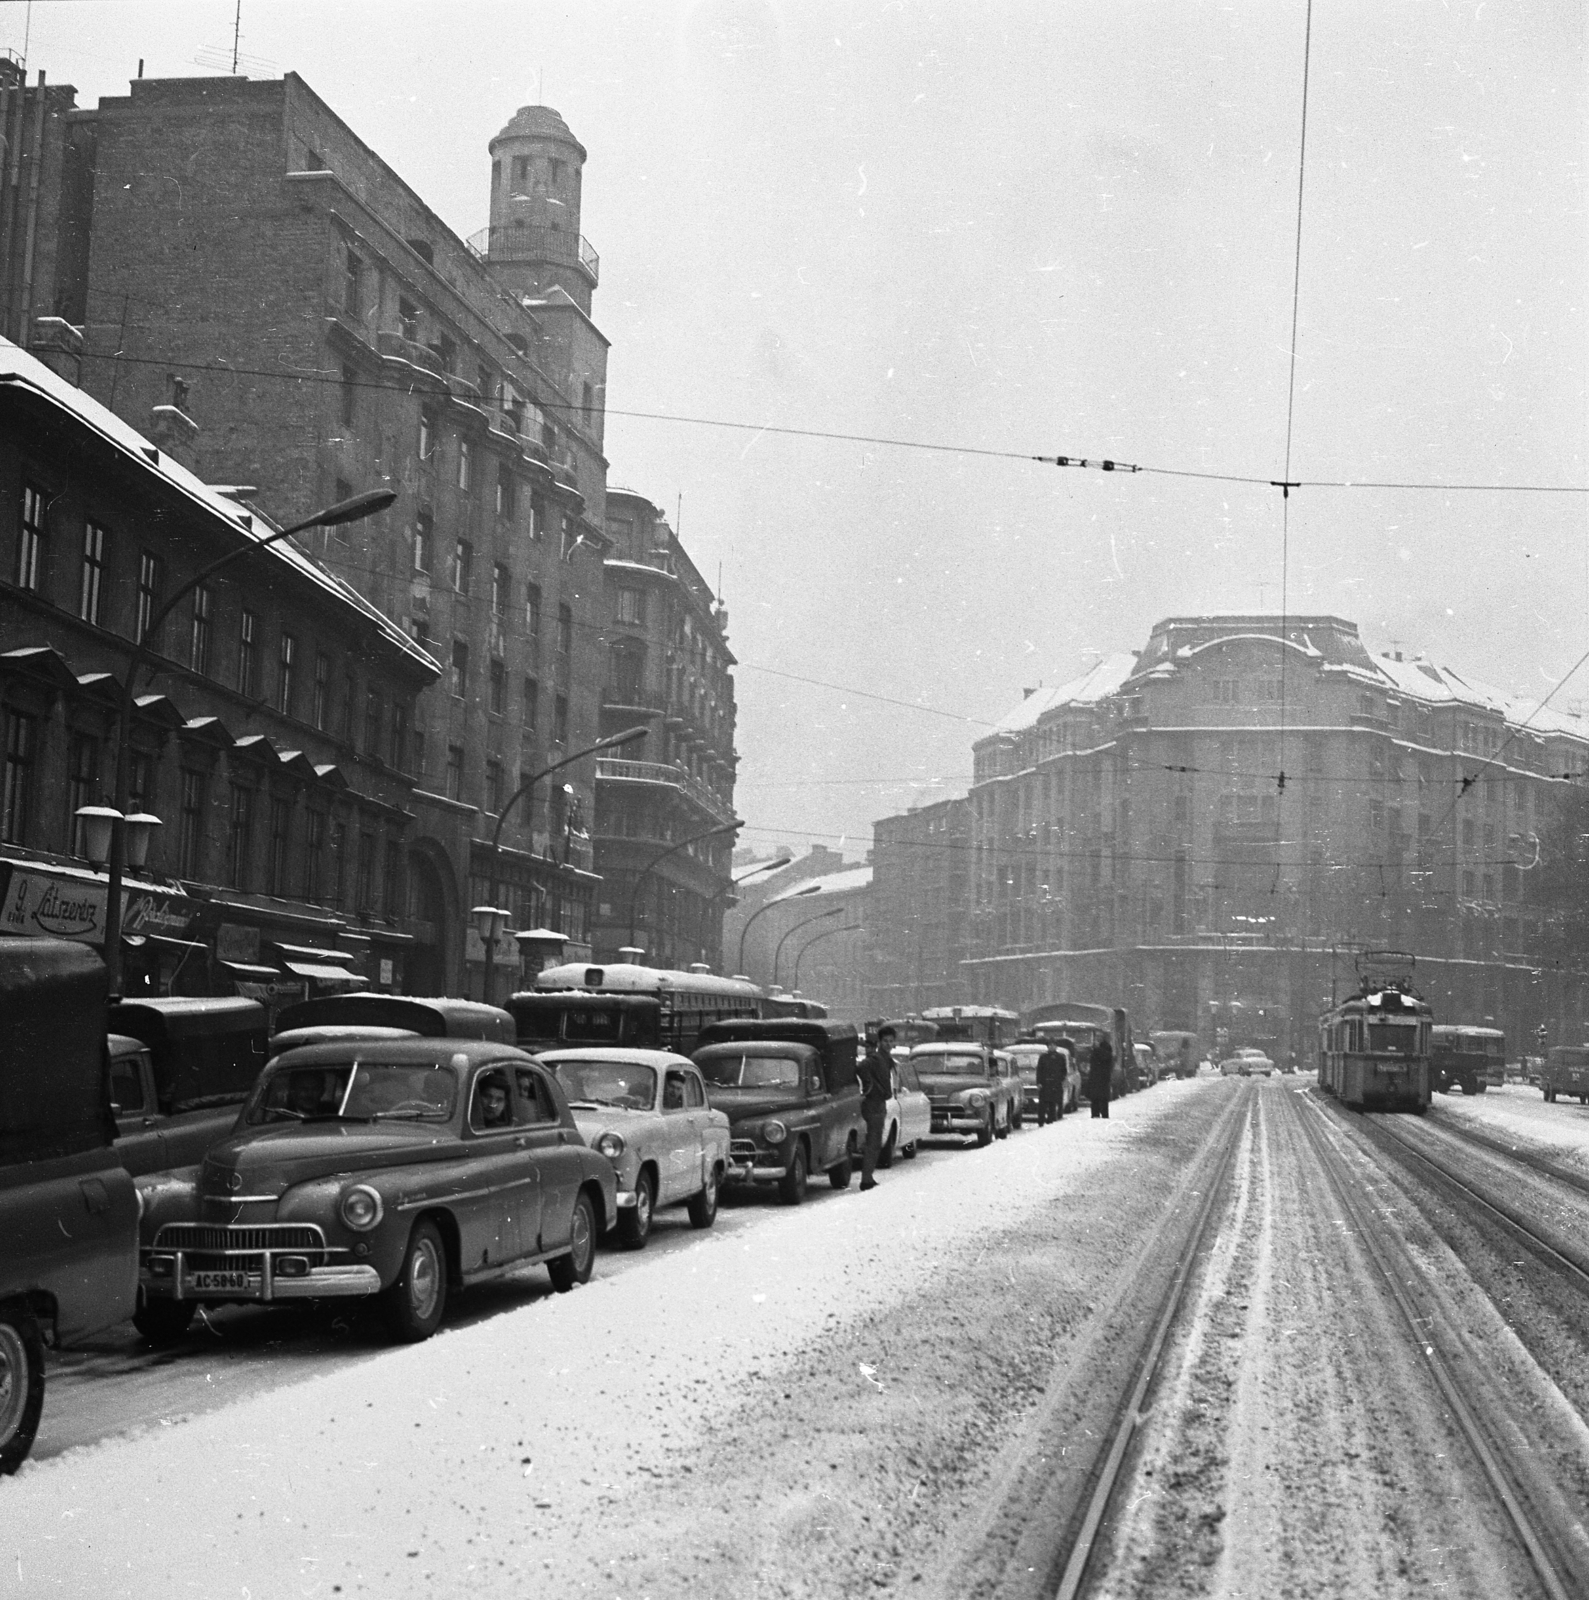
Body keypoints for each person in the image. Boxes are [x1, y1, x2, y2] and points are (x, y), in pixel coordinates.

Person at [858, 1025, 895, 1191]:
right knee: (873, 1142)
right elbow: (861, 1068)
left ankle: (869, 1177)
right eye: (885, 1041)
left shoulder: (885, 1059)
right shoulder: (876, 1058)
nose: (888, 1044)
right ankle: (866, 1179)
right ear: (879, 1042)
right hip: (874, 1104)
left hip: (879, 1103)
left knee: (876, 1141)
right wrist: (870, 1087)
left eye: (890, 1041)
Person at [1037, 1041, 1069, 1125]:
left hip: (1055, 1084)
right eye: (1050, 1045)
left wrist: (1060, 1080)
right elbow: (1039, 1070)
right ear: (1047, 1047)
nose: (1051, 1047)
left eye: (1053, 1045)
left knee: (1053, 1103)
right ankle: (1041, 1121)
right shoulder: (1043, 1057)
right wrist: (1039, 1082)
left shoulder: (1060, 1057)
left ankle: (1051, 1120)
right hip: (1044, 1083)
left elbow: (1063, 1071)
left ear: (1056, 1046)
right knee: (1042, 1104)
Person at [1087, 1036, 1114, 1119]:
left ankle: (1095, 1113)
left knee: (1095, 1098)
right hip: (1104, 1079)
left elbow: (1091, 1065)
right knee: (1104, 1099)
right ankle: (1104, 1114)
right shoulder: (1108, 1055)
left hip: (1095, 1078)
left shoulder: (1095, 1053)